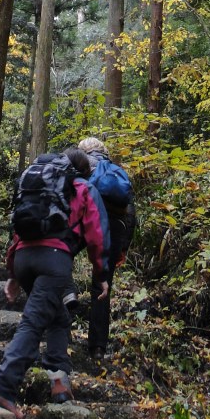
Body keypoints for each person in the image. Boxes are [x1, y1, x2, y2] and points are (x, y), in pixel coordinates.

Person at [0, 147, 111, 417]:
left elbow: (17, 229)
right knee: (32, 322)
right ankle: (1, 389)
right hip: (53, 262)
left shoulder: (42, 184)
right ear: (85, 171)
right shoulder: (82, 188)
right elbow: (97, 235)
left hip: (24, 259)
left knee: (58, 316)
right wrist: (101, 274)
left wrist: (13, 273)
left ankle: (59, 383)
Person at [78, 137, 136, 361]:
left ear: (83, 150)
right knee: (102, 285)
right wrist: (124, 246)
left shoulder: (82, 165)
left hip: (84, 222)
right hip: (113, 229)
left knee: (60, 269)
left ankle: (59, 331)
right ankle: (98, 347)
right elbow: (130, 212)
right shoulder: (116, 171)